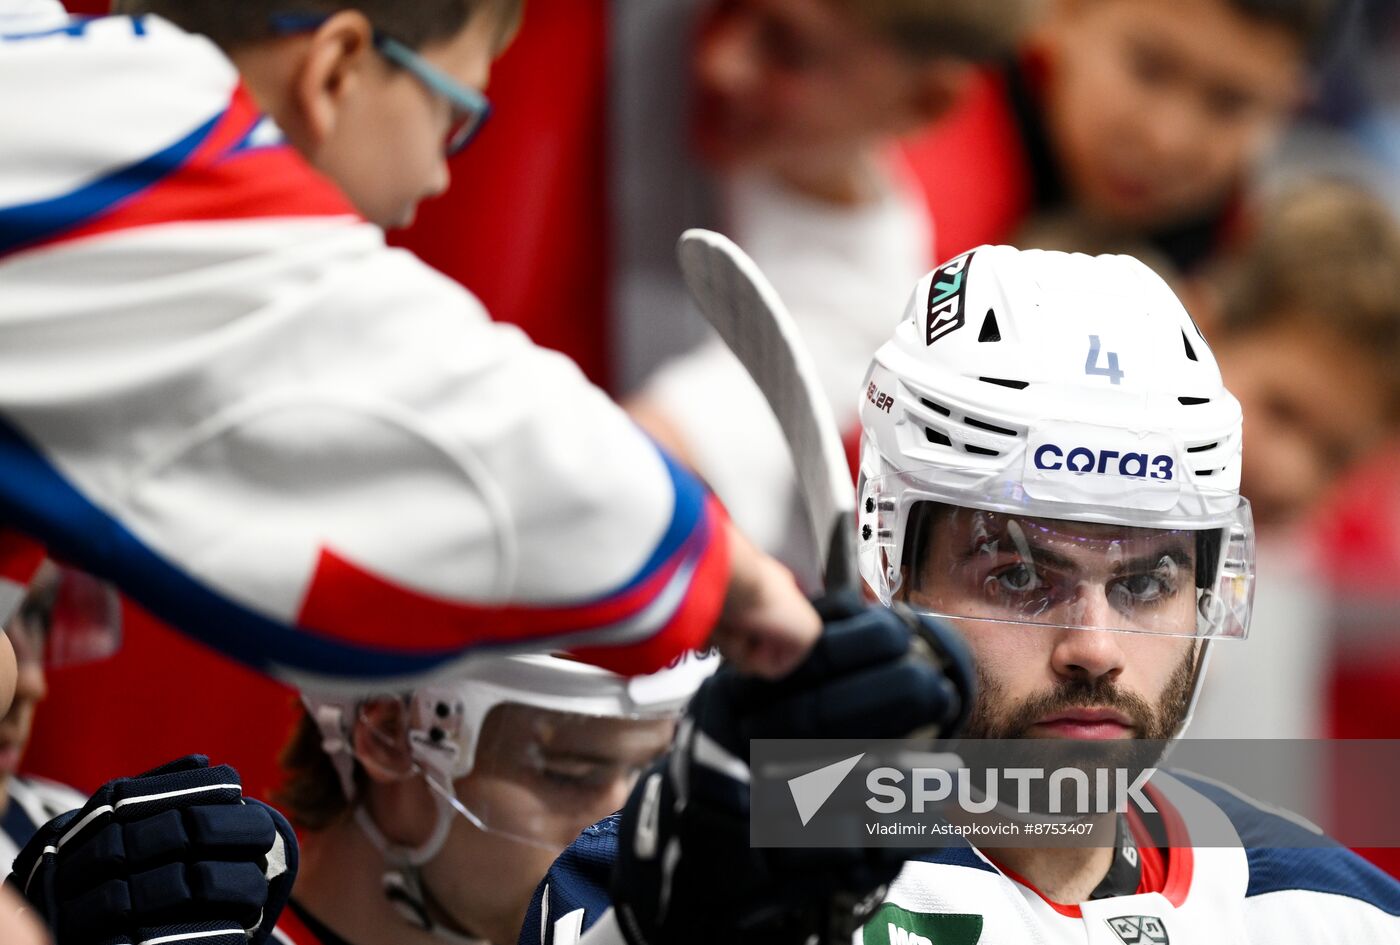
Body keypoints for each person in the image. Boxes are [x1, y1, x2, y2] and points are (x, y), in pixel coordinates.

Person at [522, 246, 1400, 945]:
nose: (1095, 645)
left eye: (1146, 582)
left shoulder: (1333, 915)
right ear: (890, 567)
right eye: (1017, 576)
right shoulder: (695, 879)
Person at [0, 0, 819, 684]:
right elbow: (452, 402)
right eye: (454, 114)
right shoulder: (131, 153)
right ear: (336, 70)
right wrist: (747, 592)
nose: (437, 178)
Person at [627, 0, 1037, 586]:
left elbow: (631, 464)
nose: (722, 62)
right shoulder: (695, 66)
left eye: (786, 49)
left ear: (923, 102)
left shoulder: (870, 310)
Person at [272, 651, 715, 945]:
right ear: (390, 735)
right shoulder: (217, 927)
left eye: (649, 770)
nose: (622, 824)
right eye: (570, 775)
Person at [903, 0, 1339, 272]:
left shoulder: (1252, 277)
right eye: (1148, 69)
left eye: (1229, 103)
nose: (1167, 138)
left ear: (1289, 108)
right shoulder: (909, 201)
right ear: (1064, 11)